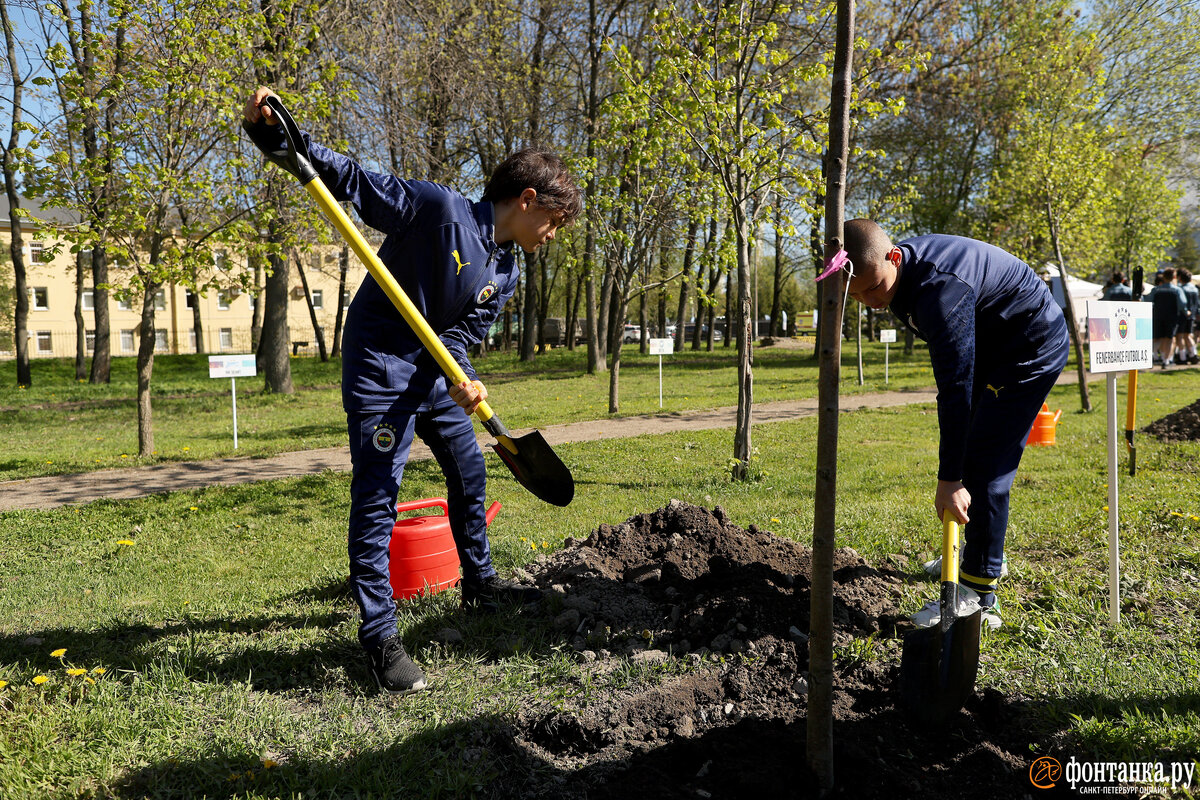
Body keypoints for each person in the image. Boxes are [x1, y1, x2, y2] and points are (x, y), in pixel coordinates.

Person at [243, 87, 583, 695]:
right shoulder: (438, 210)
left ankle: (479, 586)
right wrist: (274, 136)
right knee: (378, 497)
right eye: (554, 221)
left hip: (431, 375)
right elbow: (349, 178)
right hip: (382, 369)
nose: (552, 235)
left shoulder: (506, 269)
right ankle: (379, 640)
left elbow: (460, 333)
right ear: (527, 200)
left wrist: (462, 375)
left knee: (469, 471)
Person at [838, 220, 1069, 630]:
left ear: (894, 258)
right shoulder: (897, 273)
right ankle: (974, 555)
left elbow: (955, 388)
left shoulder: (940, 291)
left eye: (873, 289)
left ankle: (980, 595)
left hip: (1030, 348)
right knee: (971, 452)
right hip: (992, 343)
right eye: (855, 296)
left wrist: (950, 478)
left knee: (985, 465)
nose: (870, 301)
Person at [1145, 268, 1185, 368]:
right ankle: (1166, 360)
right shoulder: (1177, 290)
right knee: (1169, 339)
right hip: (1171, 317)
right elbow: (1182, 304)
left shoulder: (1156, 289)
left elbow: (1148, 300)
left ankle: (1154, 357)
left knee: (1158, 338)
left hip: (1158, 317)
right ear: (1174, 277)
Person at [1174, 267, 1198, 365]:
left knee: (1179, 336)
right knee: (1188, 336)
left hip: (1182, 315)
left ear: (1180, 278)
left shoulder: (1181, 289)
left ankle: (1182, 357)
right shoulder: (1195, 289)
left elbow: (1181, 303)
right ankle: (1193, 354)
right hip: (1192, 315)